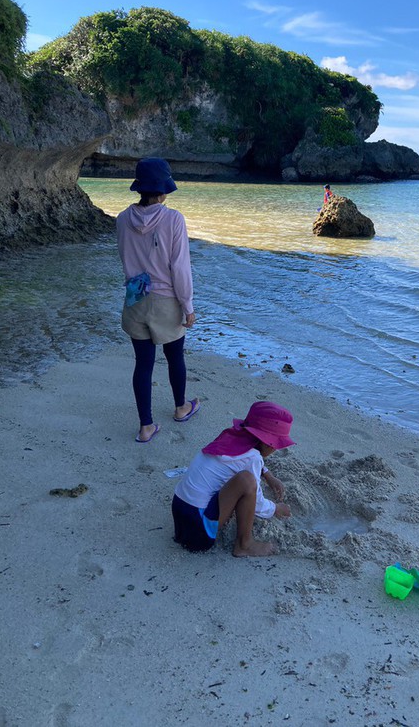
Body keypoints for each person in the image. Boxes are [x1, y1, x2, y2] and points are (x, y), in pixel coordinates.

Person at [116, 157, 200, 443]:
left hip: (135, 299)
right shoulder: (173, 219)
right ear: (163, 191)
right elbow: (180, 267)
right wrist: (187, 305)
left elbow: (125, 258)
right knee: (175, 356)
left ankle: (146, 426)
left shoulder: (123, 219)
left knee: (143, 364)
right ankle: (180, 408)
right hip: (166, 300)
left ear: (139, 188)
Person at [172, 401, 294, 557]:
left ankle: (239, 540)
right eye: (276, 444)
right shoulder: (254, 458)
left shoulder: (230, 435)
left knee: (238, 478)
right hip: (199, 534)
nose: (275, 449)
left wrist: (268, 475)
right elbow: (257, 503)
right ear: (269, 443)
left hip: (180, 514)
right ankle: (244, 544)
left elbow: (239, 460)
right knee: (247, 481)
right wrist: (276, 508)